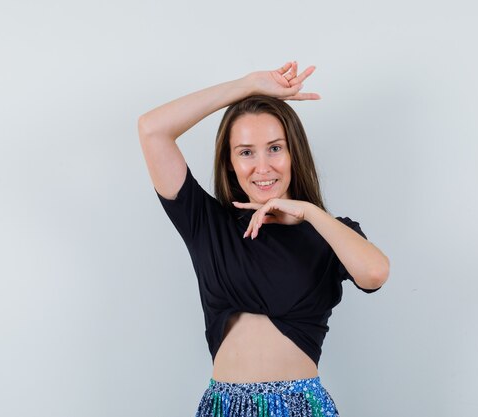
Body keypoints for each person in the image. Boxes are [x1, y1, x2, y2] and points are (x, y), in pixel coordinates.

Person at [137, 61, 390, 417]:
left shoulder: (328, 233)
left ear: (293, 154)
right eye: (245, 152)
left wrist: (310, 212)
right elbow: (152, 130)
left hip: (301, 406)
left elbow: (375, 274)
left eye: (275, 148)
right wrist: (246, 86)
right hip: (225, 407)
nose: (263, 166)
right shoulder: (207, 222)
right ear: (229, 163)